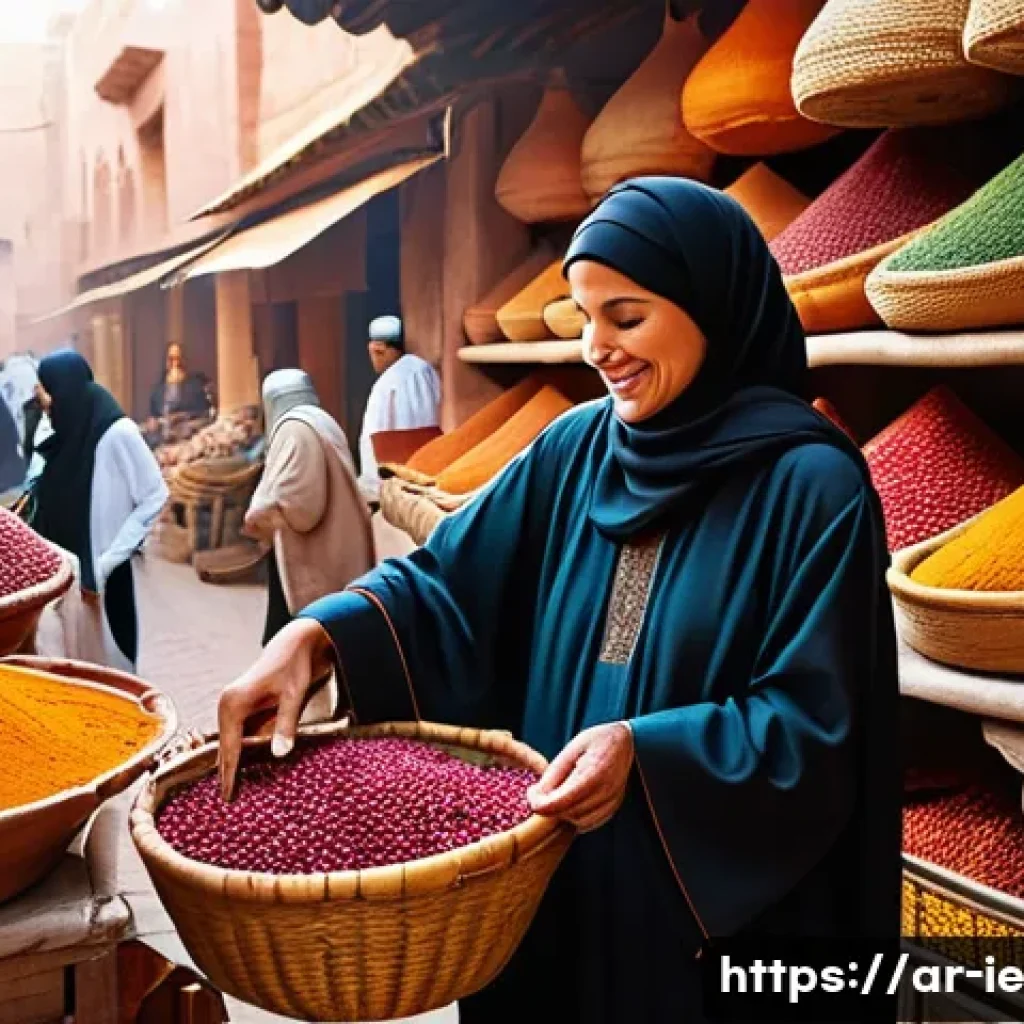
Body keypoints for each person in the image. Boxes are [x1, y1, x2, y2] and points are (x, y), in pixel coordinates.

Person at [218, 178, 899, 1023]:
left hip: (693, 920)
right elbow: (449, 585)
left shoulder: (812, 487)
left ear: (711, 308)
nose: (596, 348)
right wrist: (317, 636)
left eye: (627, 317)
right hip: (546, 887)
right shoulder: (576, 449)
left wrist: (647, 753)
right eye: (584, 318)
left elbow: (817, 726)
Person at [32, 350, 168, 671]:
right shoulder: (64, 434)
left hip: (103, 579)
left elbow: (154, 494)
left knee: (111, 667)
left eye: (49, 392)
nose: (46, 404)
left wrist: (108, 561)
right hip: (66, 580)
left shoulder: (117, 433)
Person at [244, 369, 375, 649]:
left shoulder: (295, 429)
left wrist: (259, 514)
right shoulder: (322, 420)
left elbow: (301, 508)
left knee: (298, 643)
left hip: (312, 556)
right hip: (337, 547)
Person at [357, 315, 440, 503]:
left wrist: (372, 491)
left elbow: (374, 441)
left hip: (395, 486)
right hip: (430, 476)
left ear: (378, 350)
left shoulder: (385, 385)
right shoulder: (425, 370)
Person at [149, 342, 210, 421]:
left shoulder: (196, 385)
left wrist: (181, 416)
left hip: (187, 426)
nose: (175, 363)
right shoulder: (157, 390)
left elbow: (203, 414)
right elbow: (153, 415)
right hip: (164, 427)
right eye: (171, 359)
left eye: (178, 358)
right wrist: (152, 421)